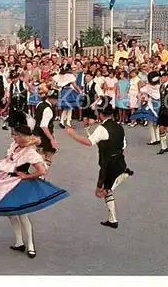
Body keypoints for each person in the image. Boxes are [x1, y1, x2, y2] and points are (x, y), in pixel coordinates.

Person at [0, 113, 69, 258]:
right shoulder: (15, 145)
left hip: (18, 184)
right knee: (11, 213)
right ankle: (19, 242)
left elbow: (41, 171)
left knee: (22, 215)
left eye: (15, 135)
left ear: (23, 136)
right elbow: (6, 160)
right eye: (13, 134)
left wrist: (27, 176)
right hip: (6, 182)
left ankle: (31, 246)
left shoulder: (30, 152)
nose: (13, 137)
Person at [66, 96, 134, 229]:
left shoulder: (102, 129)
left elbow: (89, 142)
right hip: (119, 162)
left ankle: (117, 183)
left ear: (100, 113)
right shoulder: (119, 127)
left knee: (100, 192)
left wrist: (73, 135)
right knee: (106, 191)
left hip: (108, 164)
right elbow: (123, 147)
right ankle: (112, 219)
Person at [129, 71, 161, 145]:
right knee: (157, 122)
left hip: (151, 105)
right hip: (159, 105)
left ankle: (153, 139)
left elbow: (141, 90)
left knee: (150, 122)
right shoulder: (160, 86)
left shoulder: (148, 87)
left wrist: (146, 84)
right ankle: (158, 138)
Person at [34, 86, 59, 175]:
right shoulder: (48, 109)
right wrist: (52, 139)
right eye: (56, 99)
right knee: (49, 154)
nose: (56, 101)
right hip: (44, 135)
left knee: (39, 156)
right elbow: (44, 126)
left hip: (36, 134)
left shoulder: (39, 104)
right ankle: (41, 175)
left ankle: (40, 173)